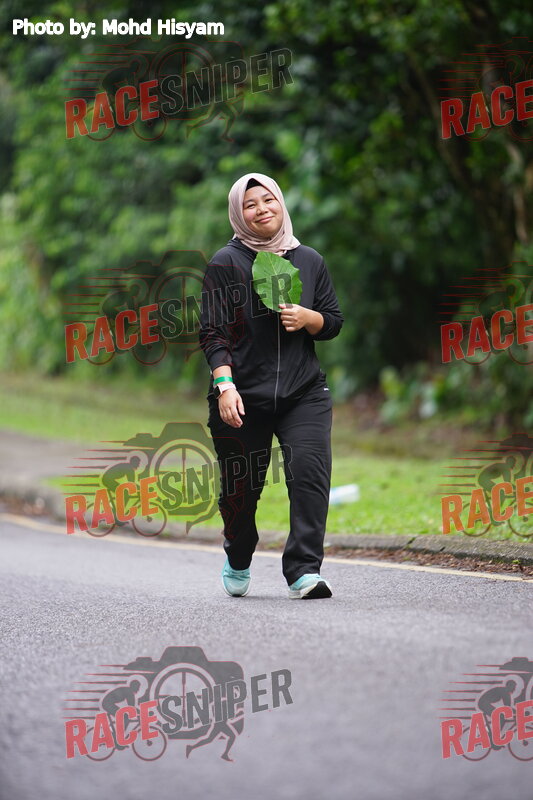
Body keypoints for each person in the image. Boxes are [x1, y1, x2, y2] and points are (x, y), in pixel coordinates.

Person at [199, 172, 344, 599]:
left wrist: (308, 318)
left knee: (310, 476)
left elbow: (333, 321)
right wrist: (225, 386)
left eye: (268, 200)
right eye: (250, 204)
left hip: (304, 393)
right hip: (243, 396)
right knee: (240, 494)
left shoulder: (309, 260)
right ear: (238, 214)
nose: (262, 209)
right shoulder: (225, 263)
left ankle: (304, 571)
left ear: (281, 203)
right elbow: (213, 333)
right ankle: (238, 551)